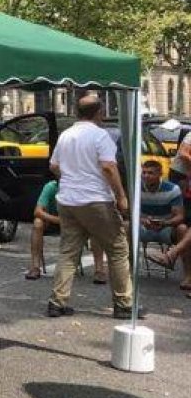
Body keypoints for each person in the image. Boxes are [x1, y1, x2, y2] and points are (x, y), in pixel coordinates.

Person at [47, 95, 141, 319]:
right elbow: (108, 167)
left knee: (68, 251)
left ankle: (57, 302)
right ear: (99, 112)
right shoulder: (101, 135)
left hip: (68, 199)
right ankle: (124, 303)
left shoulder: (66, 135)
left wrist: (71, 178)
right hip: (95, 199)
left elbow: (53, 165)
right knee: (118, 249)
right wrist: (121, 196)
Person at [26, 178, 106, 282]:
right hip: (54, 222)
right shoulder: (51, 187)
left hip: (76, 223)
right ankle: (35, 267)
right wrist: (59, 220)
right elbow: (37, 211)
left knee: (95, 225)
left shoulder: (80, 187)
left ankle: (99, 270)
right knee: (37, 223)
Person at [138, 161, 191, 292]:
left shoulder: (172, 189)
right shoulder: (136, 187)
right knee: (126, 225)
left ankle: (188, 276)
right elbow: (128, 211)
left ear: (160, 174)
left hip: (165, 226)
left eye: (150, 173)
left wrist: (164, 223)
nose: (146, 176)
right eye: (144, 172)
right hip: (142, 226)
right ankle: (126, 272)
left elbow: (180, 216)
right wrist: (143, 219)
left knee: (182, 229)